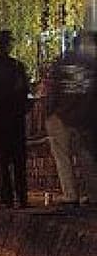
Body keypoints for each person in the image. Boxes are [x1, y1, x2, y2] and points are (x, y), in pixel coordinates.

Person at [45, 32, 97, 205]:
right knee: (86, 157)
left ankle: (70, 195)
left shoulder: (62, 62)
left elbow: (52, 89)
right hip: (84, 117)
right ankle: (93, 194)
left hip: (60, 116)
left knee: (62, 158)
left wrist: (51, 111)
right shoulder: (91, 65)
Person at [0, 30, 31, 208]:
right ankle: (22, 198)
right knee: (18, 161)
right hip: (15, 119)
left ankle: (7, 198)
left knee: (2, 161)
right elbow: (25, 92)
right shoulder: (18, 67)